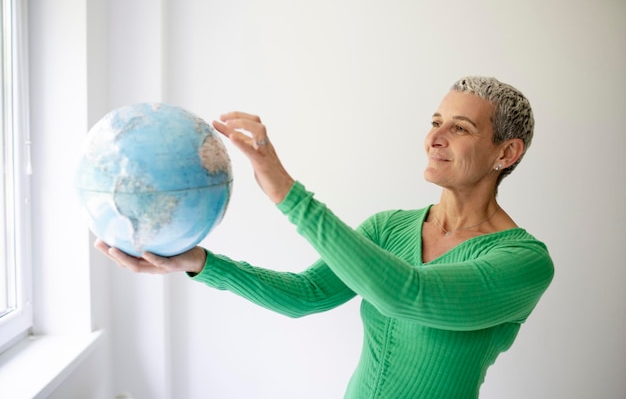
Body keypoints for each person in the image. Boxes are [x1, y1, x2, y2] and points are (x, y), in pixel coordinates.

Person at [96, 76, 554, 399]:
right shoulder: (388, 227)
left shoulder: (523, 261)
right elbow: (306, 295)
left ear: (506, 153)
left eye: (460, 128)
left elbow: (410, 295)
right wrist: (198, 262)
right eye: (436, 121)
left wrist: (286, 191)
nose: (436, 137)